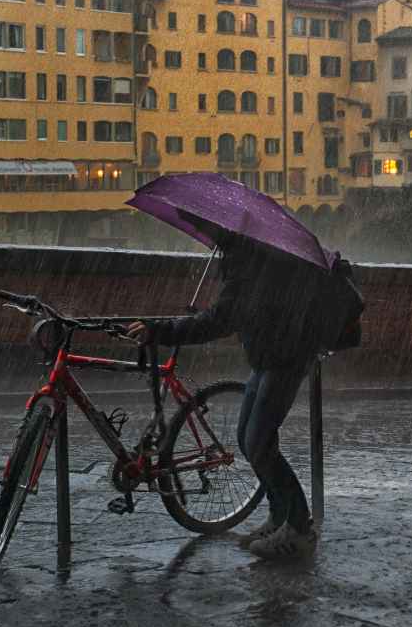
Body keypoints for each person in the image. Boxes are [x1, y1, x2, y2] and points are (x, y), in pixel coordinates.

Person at [127, 235, 322, 560]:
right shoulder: (251, 257)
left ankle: (300, 529)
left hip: (285, 357)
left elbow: (219, 320)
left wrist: (162, 330)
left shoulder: (251, 265)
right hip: (268, 356)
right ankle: (279, 516)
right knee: (248, 441)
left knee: (258, 443)